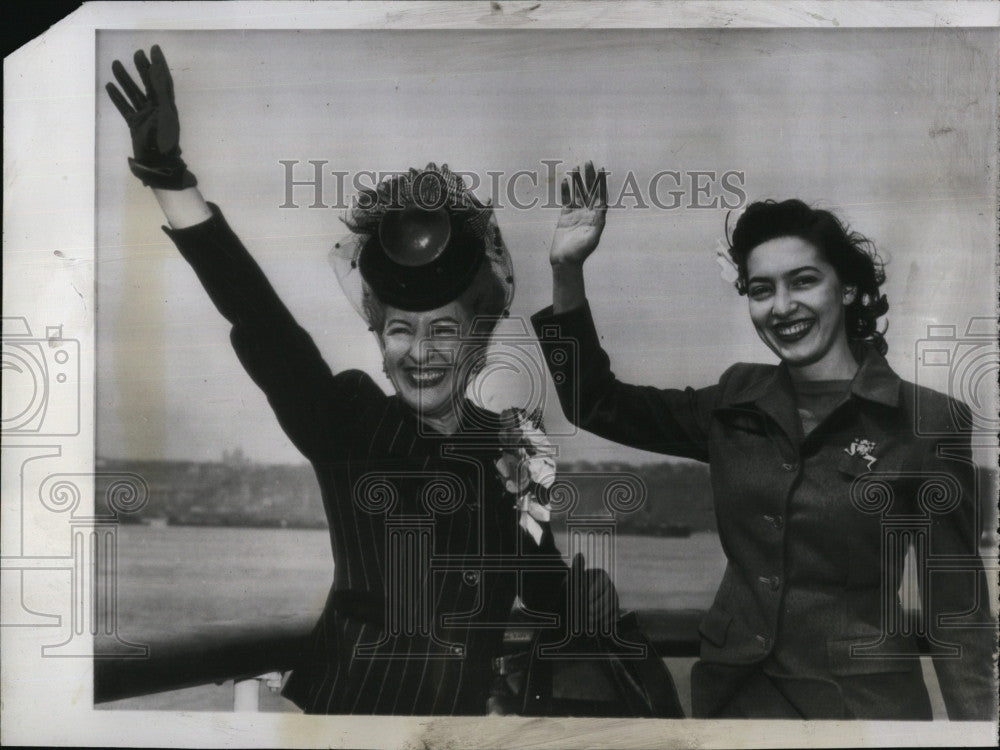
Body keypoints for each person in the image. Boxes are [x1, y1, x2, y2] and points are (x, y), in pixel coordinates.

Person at [104, 45, 581, 715]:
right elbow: (263, 323)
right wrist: (169, 177)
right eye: (399, 329)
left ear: (479, 334)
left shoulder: (519, 445)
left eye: (443, 329)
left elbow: (543, 584)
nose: (421, 352)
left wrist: (578, 605)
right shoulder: (353, 422)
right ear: (377, 341)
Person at [531, 162, 997, 719]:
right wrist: (566, 268)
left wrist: (978, 731)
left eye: (803, 281)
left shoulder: (928, 421)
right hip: (735, 702)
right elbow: (594, 402)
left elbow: (956, 611)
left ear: (847, 288)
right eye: (761, 289)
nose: (781, 307)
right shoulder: (734, 398)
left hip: (861, 712)